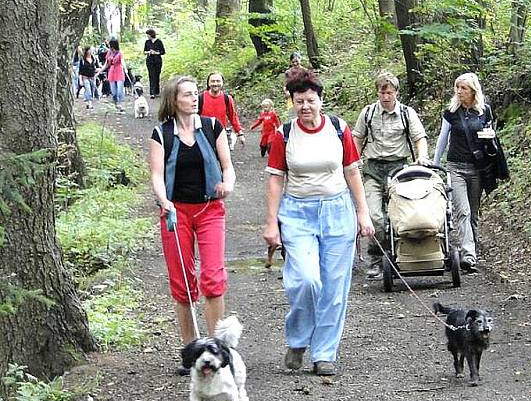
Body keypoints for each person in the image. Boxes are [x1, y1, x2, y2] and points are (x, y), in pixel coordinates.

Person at [263, 68, 374, 377]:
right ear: (292, 103)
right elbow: (275, 180)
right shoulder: (283, 134)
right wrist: (271, 223)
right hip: (297, 212)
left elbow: (352, 172)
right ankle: (298, 339)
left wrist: (363, 214)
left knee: (334, 288)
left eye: (311, 100)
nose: (306, 107)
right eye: (299, 102)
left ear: (320, 100)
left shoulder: (339, 129)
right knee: (305, 280)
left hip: (338, 211)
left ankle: (324, 353)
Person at [148, 76, 236, 373]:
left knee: (212, 277)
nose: (194, 98)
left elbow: (227, 168)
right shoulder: (162, 134)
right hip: (176, 212)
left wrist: (227, 185)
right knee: (182, 282)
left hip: (210, 208)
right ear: (174, 100)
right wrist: (164, 201)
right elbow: (157, 176)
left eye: (195, 93)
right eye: (187, 94)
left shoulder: (212, 127)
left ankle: (216, 348)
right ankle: (190, 351)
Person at [352, 71, 428, 277]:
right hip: (374, 169)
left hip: (399, 170)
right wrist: (353, 161)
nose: (385, 97)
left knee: (402, 214)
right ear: (377, 92)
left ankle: (402, 255)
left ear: (396, 92)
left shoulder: (406, 113)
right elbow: (357, 138)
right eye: (382, 92)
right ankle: (377, 258)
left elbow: (419, 137)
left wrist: (422, 157)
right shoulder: (368, 113)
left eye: (389, 93)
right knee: (375, 216)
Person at [432, 72, 496, 274]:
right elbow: (443, 138)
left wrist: (491, 137)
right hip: (455, 166)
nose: (459, 92)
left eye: (464, 88)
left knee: (473, 213)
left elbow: (490, 134)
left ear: (473, 91)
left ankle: (472, 251)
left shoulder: (484, 111)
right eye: (457, 88)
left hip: (477, 168)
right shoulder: (451, 112)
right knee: (463, 211)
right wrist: (435, 164)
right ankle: (468, 255)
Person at [199, 72, 245, 152]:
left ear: (222, 83)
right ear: (208, 83)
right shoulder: (200, 98)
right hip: (203, 135)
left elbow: (233, 117)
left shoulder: (227, 99)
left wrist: (240, 133)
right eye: (212, 81)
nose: (215, 83)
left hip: (220, 135)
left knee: (223, 161)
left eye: (218, 81)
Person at [98, 37, 127, 113]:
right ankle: (116, 104)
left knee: (120, 90)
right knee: (114, 92)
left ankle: (121, 105)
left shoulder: (120, 53)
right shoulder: (109, 53)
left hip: (119, 70)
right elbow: (106, 64)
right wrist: (100, 71)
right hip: (112, 71)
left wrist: (125, 68)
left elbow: (122, 61)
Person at [143, 28, 165, 99]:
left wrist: (156, 52)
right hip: (150, 61)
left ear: (151, 34)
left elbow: (163, 52)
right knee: (151, 76)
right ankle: (152, 92)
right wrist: (149, 52)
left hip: (157, 61)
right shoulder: (147, 42)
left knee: (157, 76)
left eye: (148, 35)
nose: (147, 36)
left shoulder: (159, 42)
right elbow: (144, 51)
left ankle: (157, 91)